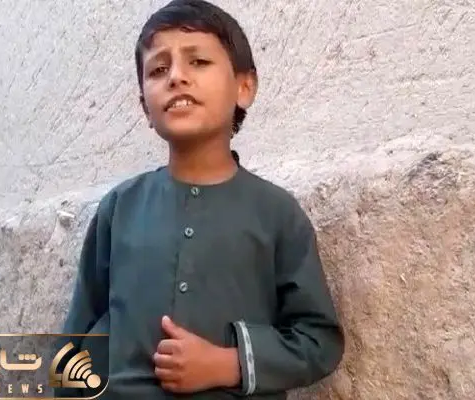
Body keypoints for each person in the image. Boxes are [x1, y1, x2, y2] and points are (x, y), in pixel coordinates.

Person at [58, 0, 345, 398]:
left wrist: (228, 363)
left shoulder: (276, 213)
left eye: (198, 62)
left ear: (244, 87)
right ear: (145, 108)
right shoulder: (120, 208)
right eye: (158, 69)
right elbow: (75, 338)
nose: (177, 77)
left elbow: (319, 340)